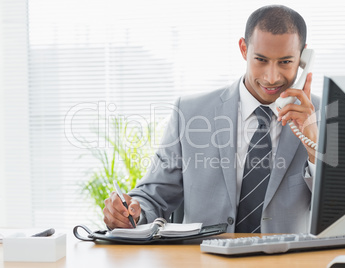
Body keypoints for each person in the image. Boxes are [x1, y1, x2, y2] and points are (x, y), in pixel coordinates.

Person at [103, 5, 320, 234]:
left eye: (285, 62)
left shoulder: (323, 115)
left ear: (303, 58)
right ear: (244, 50)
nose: (272, 77)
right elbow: (154, 197)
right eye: (261, 60)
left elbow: (341, 211)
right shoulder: (189, 113)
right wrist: (130, 213)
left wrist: (314, 147)